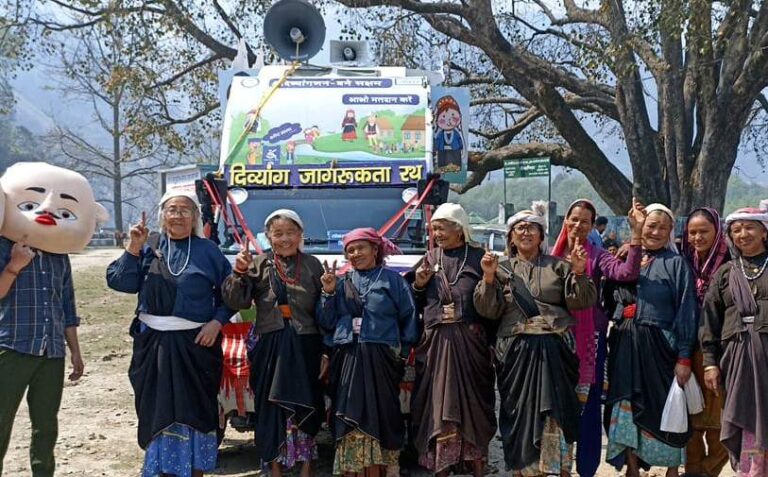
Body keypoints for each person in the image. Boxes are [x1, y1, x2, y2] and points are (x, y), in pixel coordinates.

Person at [107, 190, 232, 477]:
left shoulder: (208, 250)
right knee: (156, 408)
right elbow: (120, 282)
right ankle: (160, 470)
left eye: (185, 210)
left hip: (196, 346)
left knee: (197, 411)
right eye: (172, 210)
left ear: (195, 217)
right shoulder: (148, 246)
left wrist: (216, 322)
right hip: (153, 345)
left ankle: (195, 470)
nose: (178, 216)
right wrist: (132, 248)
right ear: (163, 215)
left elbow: (232, 295)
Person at [0, 162, 108, 477]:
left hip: (52, 354)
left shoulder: (60, 257)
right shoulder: (5, 247)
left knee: (46, 425)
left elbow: (67, 307)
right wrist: (14, 266)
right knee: (1, 420)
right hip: (11, 347)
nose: (46, 212)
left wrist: (75, 351)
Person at [475, 209, 596, 476]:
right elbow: (488, 310)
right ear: (511, 237)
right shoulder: (501, 269)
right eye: (520, 228)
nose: (526, 232)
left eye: (532, 228)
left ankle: (559, 469)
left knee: (557, 412)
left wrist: (578, 271)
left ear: (542, 235)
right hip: (516, 354)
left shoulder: (558, 266)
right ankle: (521, 471)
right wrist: (487, 277)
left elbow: (582, 301)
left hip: (555, 352)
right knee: (519, 414)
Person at [222, 209, 324, 477]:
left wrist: (327, 351)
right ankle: (274, 467)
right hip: (270, 345)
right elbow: (237, 302)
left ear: (301, 235)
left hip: (306, 345)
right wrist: (239, 274)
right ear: (268, 236)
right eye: (278, 234)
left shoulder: (313, 265)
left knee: (307, 403)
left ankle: (306, 467)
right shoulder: (257, 264)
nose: (285, 239)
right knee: (271, 406)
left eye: (291, 233)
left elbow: (324, 312)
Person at [550, 199, 645, 477]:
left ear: (593, 226)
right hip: (556, 343)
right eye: (574, 219)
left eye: (585, 221)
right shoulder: (551, 258)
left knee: (589, 409)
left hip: (588, 342)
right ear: (565, 222)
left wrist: (636, 233)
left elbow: (627, 272)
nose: (578, 225)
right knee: (557, 407)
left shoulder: (598, 256)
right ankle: (560, 467)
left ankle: (587, 469)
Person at [604, 203, 698, 477]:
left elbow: (686, 310)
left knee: (665, 407)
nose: (655, 231)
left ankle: (671, 469)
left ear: (670, 231)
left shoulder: (676, 264)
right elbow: (608, 300)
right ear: (640, 227)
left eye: (662, 227)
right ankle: (632, 469)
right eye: (650, 225)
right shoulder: (624, 258)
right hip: (625, 344)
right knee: (627, 404)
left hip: (662, 348)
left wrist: (683, 356)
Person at [318, 228, 419, 477]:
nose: (355, 254)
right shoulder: (340, 283)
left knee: (384, 410)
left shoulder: (394, 281)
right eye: (350, 250)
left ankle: (385, 465)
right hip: (348, 356)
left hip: (382, 356)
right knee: (348, 410)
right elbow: (326, 322)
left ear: (376, 249)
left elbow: (409, 318)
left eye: (361, 248)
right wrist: (328, 293)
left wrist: (403, 353)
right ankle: (352, 467)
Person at [406, 203, 496, 477]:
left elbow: (493, 306)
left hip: (470, 344)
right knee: (437, 404)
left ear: (459, 228)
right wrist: (419, 284)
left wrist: (489, 275)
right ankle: (441, 467)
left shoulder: (480, 258)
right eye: (434, 228)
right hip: (436, 344)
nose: (437, 233)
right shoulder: (428, 258)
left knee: (473, 407)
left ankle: (476, 465)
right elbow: (413, 302)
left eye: (442, 227)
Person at [700, 207, 768, 476]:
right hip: (736, 357)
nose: (742, 234)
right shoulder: (725, 273)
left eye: (749, 227)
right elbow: (710, 319)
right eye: (736, 230)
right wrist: (709, 363)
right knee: (742, 414)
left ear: (764, 231)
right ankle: (751, 471)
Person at [681, 208, 730, 477]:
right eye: (693, 232)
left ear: (717, 231)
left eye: (704, 231)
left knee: (718, 421)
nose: (697, 237)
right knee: (690, 419)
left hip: (719, 352)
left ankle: (709, 471)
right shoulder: (684, 261)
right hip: (687, 349)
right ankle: (693, 469)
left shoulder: (730, 265)